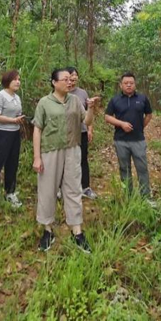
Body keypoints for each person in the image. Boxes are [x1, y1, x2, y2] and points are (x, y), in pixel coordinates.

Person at [33, 68, 99, 253]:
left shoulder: (75, 101)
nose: (69, 82)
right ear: (54, 82)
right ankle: (47, 230)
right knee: (47, 190)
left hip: (72, 149)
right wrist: (37, 157)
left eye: (71, 79)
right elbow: (37, 129)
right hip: (50, 151)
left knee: (73, 189)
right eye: (65, 79)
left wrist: (91, 108)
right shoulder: (44, 103)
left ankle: (77, 231)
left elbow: (86, 121)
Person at [104, 72, 154, 204]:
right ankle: (128, 196)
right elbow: (107, 117)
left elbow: (149, 115)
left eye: (131, 83)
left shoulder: (142, 98)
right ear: (121, 85)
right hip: (121, 140)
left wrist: (140, 127)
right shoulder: (115, 100)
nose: (129, 85)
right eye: (126, 83)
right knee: (124, 169)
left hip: (138, 140)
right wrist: (121, 124)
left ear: (135, 84)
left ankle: (146, 197)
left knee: (142, 169)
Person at [0, 70, 26, 217]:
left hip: (14, 134)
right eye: (15, 79)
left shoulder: (16, 97)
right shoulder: (0, 96)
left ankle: (10, 192)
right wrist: (13, 120)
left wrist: (19, 120)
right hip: (2, 134)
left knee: (12, 164)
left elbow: (16, 114)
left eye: (19, 79)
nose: (18, 82)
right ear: (7, 81)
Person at [67, 67, 97, 199]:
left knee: (83, 159)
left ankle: (85, 187)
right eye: (71, 75)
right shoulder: (61, 92)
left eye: (75, 75)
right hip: (66, 133)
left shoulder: (82, 93)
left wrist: (90, 129)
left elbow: (88, 112)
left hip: (82, 131)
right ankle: (63, 187)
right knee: (66, 160)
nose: (73, 78)